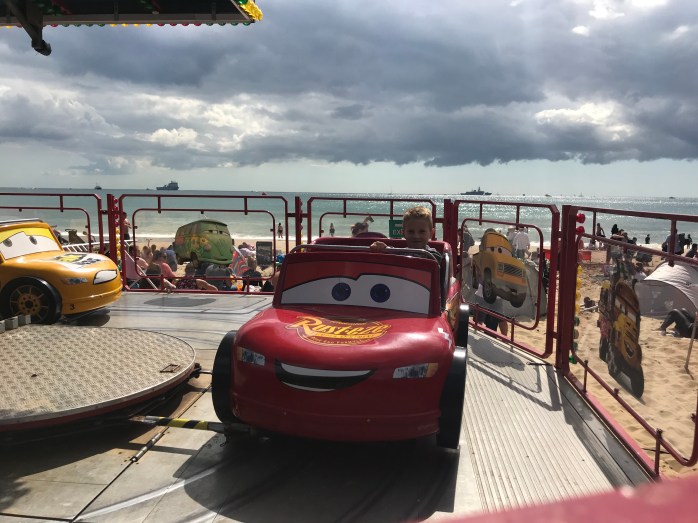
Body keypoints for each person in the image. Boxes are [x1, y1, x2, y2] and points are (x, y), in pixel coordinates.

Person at [370, 206, 441, 261]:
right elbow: (391, 251)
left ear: (431, 233)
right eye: (411, 231)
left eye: (422, 231)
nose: (416, 236)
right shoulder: (400, 252)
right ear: (403, 233)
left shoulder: (433, 255)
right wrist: (382, 247)